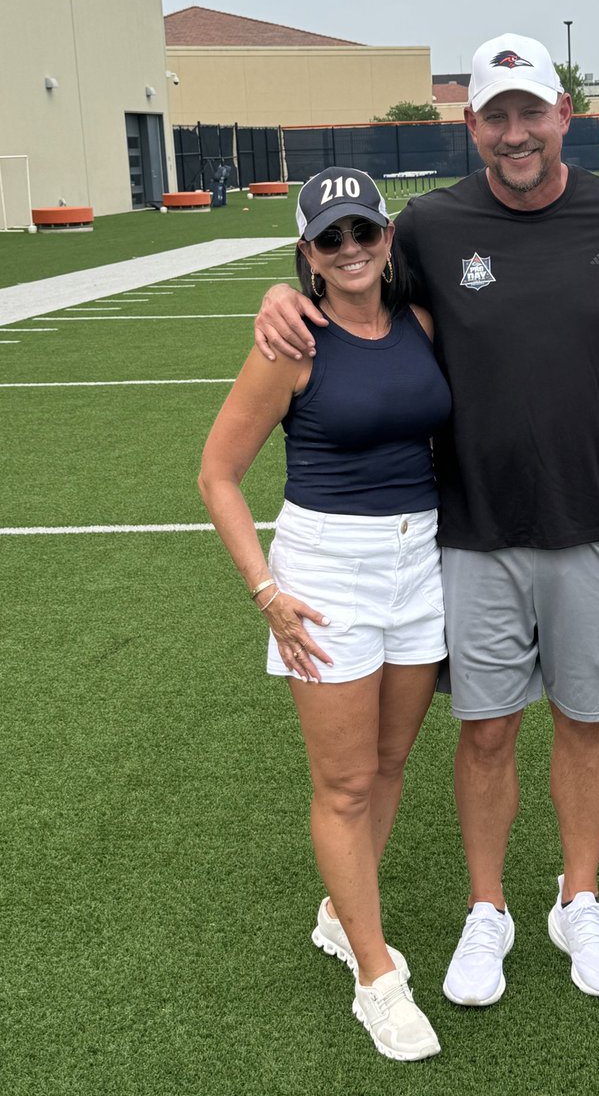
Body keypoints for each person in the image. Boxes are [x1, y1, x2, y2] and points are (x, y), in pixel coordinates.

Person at [254, 33, 599, 1005]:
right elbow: (350, 289)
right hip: (474, 530)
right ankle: (485, 912)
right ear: (472, 127)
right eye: (497, 115)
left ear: (562, 116)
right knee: (485, 733)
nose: (516, 131)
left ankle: (578, 901)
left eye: (532, 110)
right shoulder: (432, 228)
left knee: (584, 723)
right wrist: (280, 293)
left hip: (598, 520)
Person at [199, 168, 451, 1060]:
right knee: (343, 783)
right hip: (327, 571)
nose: (350, 251)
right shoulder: (290, 343)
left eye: (364, 233)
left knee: (388, 764)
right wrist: (266, 591)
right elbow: (216, 474)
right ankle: (376, 977)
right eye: (330, 239)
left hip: (420, 564)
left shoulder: (420, 323)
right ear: (306, 255)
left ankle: (344, 915)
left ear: (387, 239)